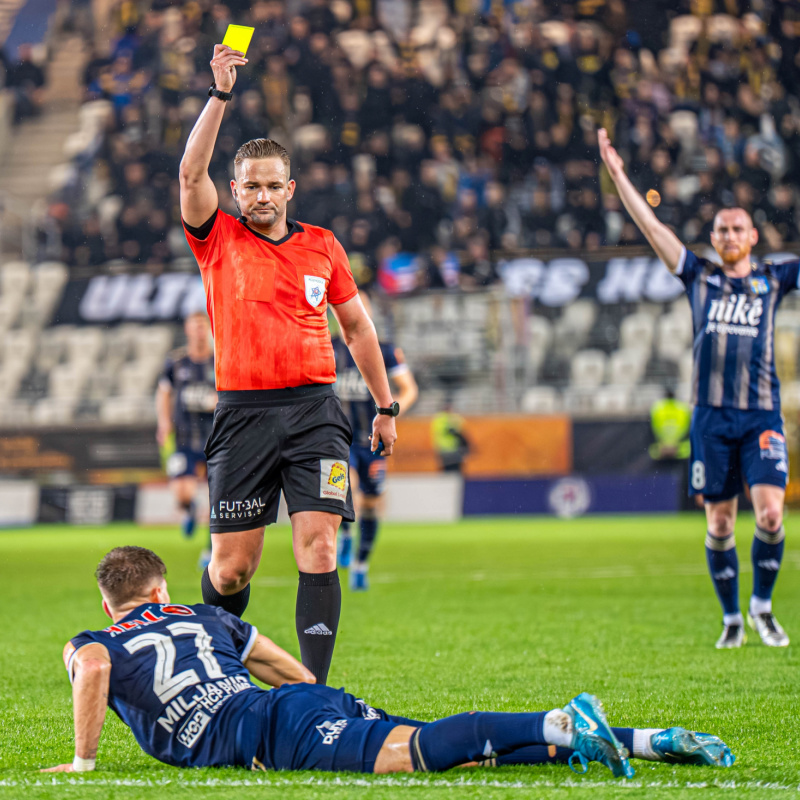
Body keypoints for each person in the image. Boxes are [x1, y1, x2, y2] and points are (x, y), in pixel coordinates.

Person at [43, 546, 735, 777]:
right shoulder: (204, 615)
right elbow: (296, 672)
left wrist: (83, 763)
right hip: (289, 707)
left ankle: (559, 724)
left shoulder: (95, 639)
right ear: (162, 590)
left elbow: (95, 671)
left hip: (266, 733)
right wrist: (318, 705)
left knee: (417, 755)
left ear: (112, 607)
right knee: (462, 754)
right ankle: (641, 743)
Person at [178, 44, 398, 685]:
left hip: (315, 413)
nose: (265, 195)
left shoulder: (322, 247)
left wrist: (384, 407)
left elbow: (356, 326)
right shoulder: (217, 238)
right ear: (237, 190)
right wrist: (219, 95)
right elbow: (192, 177)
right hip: (243, 415)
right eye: (253, 186)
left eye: (276, 185)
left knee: (320, 546)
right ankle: (221, 675)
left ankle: (314, 695)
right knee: (231, 571)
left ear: (290, 188)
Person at [599, 128, 792, 649]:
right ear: (714, 239)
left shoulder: (775, 280)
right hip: (710, 417)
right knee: (722, 523)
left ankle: (763, 606)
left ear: (753, 237)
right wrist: (618, 175)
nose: (729, 236)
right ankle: (732, 617)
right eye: (721, 230)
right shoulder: (699, 277)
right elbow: (652, 226)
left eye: (737, 229)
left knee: (772, 513)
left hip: (760, 416)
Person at [333, 293, 419, 590]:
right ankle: (344, 532)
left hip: (371, 439)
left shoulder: (385, 351)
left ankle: (360, 564)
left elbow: (408, 390)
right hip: (337, 438)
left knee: (372, 504)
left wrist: (390, 414)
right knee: (347, 487)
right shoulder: (328, 348)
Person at [156, 312, 217, 553]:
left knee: (218, 498)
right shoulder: (176, 362)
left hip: (215, 438)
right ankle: (190, 509)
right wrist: (163, 422)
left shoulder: (219, 360)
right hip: (184, 438)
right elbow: (163, 392)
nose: (200, 332)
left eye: (203, 327)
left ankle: (211, 548)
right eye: (195, 327)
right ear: (187, 330)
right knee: (181, 492)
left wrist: (218, 401)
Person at [649, 388, 691, 461]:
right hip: (680, 450)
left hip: (663, 449)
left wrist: (663, 444)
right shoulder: (683, 408)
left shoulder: (657, 408)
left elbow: (652, 429)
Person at [431, 399, 470, 473]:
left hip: (454, 449)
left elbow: (461, 432)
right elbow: (454, 431)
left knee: (453, 470)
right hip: (447, 449)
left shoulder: (449, 417)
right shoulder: (441, 418)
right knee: (451, 470)